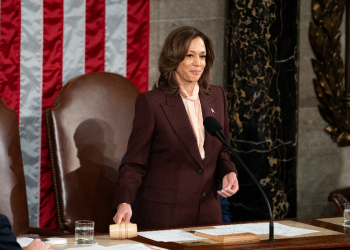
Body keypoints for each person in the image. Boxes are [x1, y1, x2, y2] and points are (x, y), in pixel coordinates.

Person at [112, 26, 239, 230]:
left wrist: (228, 171)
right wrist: (124, 202)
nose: (198, 63)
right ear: (174, 57)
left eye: (203, 56)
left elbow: (222, 151)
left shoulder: (217, 96)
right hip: (165, 217)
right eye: (190, 55)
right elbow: (134, 163)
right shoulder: (152, 103)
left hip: (209, 215)